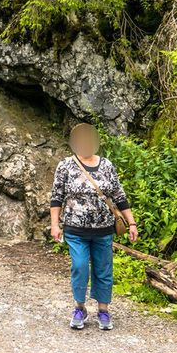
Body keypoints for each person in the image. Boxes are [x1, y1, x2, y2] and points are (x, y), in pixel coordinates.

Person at [49, 123, 139, 332]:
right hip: (75, 229)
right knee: (80, 267)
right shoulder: (66, 166)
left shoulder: (106, 165)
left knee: (103, 270)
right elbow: (56, 197)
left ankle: (104, 310)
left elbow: (119, 196)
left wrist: (131, 223)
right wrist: (55, 225)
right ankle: (79, 308)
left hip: (104, 229)